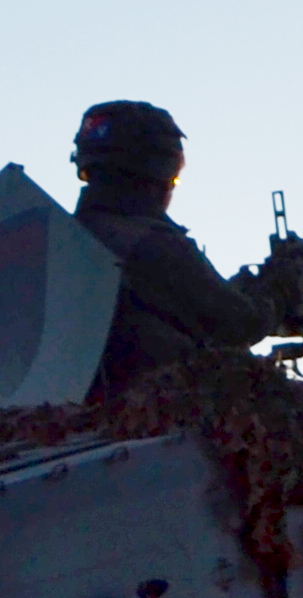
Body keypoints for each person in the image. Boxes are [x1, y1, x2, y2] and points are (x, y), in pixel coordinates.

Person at [68, 100, 276, 399]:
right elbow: (239, 324)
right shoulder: (149, 245)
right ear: (158, 174)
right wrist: (280, 290)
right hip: (139, 417)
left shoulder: (63, 240)